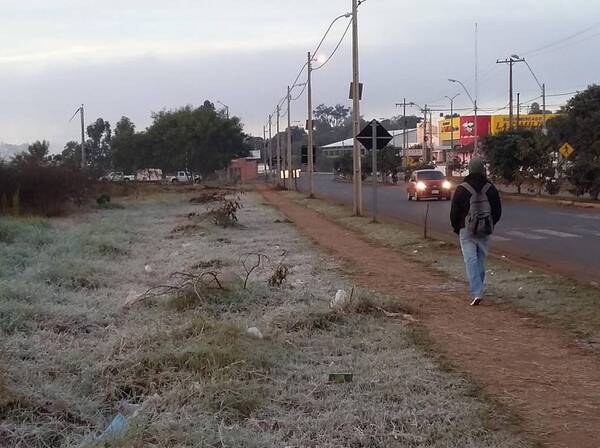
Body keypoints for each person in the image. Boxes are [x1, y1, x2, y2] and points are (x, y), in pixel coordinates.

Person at [450, 157, 502, 306]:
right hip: (485, 229)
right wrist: (490, 223)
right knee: (480, 259)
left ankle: (477, 291)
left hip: (466, 230)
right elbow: (497, 210)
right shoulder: (490, 188)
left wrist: (457, 228)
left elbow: (454, 212)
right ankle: (478, 289)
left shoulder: (462, 188)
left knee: (470, 260)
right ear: (483, 169)